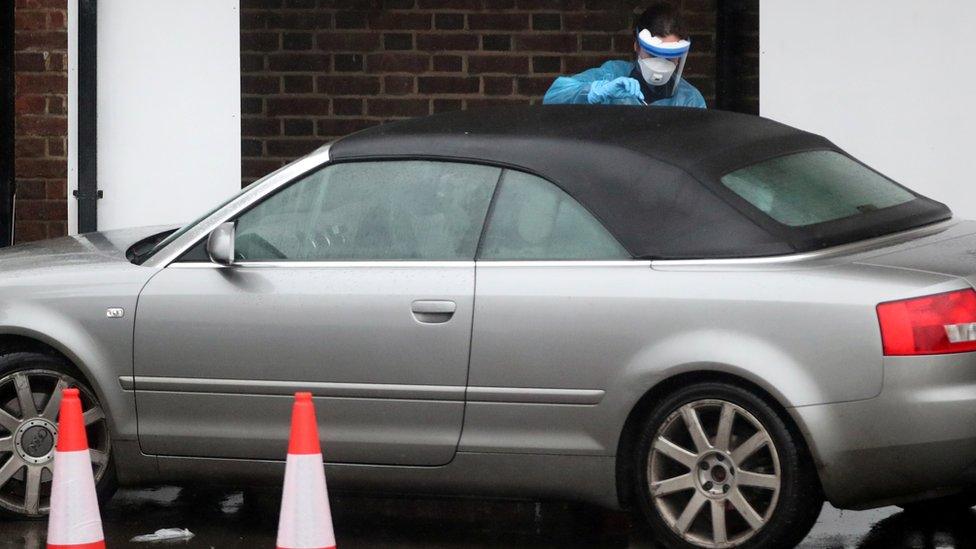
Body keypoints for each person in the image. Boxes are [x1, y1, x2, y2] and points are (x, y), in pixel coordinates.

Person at [543, 3, 706, 108]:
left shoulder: (689, 100)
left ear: (680, 57)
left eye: (669, 57)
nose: (660, 64)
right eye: (653, 55)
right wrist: (595, 92)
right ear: (636, 45)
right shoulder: (612, 75)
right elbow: (553, 97)